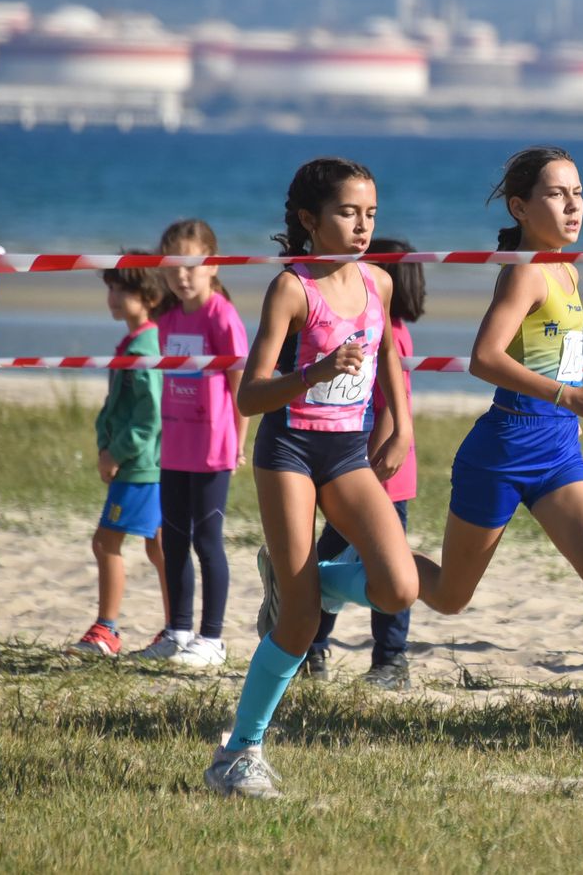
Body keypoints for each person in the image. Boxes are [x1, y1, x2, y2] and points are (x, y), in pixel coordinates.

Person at [317, 146, 583, 781]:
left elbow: (546, 354)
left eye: (579, 194)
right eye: (557, 195)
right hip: (503, 449)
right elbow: (482, 357)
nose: (573, 207)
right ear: (521, 207)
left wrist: (575, 397)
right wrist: (569, 392)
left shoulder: (566, 270)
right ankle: (319, 582)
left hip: (558, 448)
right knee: (450, 596)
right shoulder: (527, 272)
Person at [204, 157, 420, 799]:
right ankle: (239, 754)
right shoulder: (292, 289)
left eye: (371, 214)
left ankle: (305, 580)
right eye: (348, 213)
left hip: (349, 453)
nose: (361, 226)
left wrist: (401, 424)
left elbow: (386, 358)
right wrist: (315, 374)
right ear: (308, 220)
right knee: (297, 624)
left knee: (400, 586)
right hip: (290, 452)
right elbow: (250, 396)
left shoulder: (378, 283)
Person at [301, 237, 425, 690]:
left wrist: (389, 444)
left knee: (384, 565)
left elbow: (394, 398)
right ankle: (312, 650)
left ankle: (391, 660)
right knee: (328, 559)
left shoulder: (388, 331)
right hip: (355, 471)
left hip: (381, 472)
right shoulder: (370, 325)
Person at [132, 220, 248, 668]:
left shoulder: (221, 315)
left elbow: (242, 385)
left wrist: (239, 439)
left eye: (191, 264)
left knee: (207, 539)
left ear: (212, 264)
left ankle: (212, 638)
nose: (182, 274)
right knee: (173, 539)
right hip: (175, 444)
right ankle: (178, 631)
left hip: (213, 445)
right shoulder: (169, 317)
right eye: (173, 265)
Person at [74, 256, 169, 655]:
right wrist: (102, 441)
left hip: (140, 466)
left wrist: (115, 452)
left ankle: (107, 628)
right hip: (144, 463)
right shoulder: (137, 340)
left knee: (106, 543)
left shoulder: (147, 344)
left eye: (122, 289)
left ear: (148, 296)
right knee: (160, 545)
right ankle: (176, 625)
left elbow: (150, 415)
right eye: (110, 288)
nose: (112, 296)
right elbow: (119, 405)